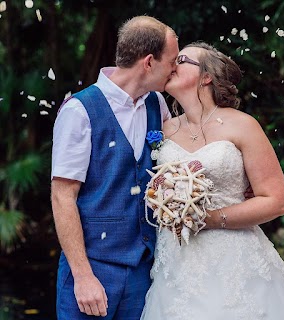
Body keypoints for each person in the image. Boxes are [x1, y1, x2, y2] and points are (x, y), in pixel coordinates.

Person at [140, 42, 284, 320]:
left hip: (233, 260)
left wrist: (209, 218)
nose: (172, 64)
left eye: (182, 59)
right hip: (176, 264)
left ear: (206, 76)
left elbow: (276, 200)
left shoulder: (243, 125)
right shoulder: (163, 130)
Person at [51, 16, 179, 319]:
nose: (175, 69)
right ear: (149, 62)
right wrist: (82, 277)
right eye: (172, 61)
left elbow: (183, 155)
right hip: (92, 269)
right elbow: (62, 197)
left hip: (144, 271)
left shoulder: (156, 104)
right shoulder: (80, 111)